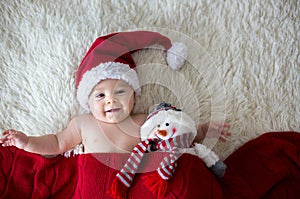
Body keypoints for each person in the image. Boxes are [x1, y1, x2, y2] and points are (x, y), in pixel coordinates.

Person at [0, 30, 231, 156]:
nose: (110, 99)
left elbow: (170, 136)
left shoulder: (144, 122)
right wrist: (28, 142)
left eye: (120, 91)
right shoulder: (82, 124)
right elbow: (57, 142)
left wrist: (200, 131)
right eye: (100, 95)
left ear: (134, 97)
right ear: (87, 102)